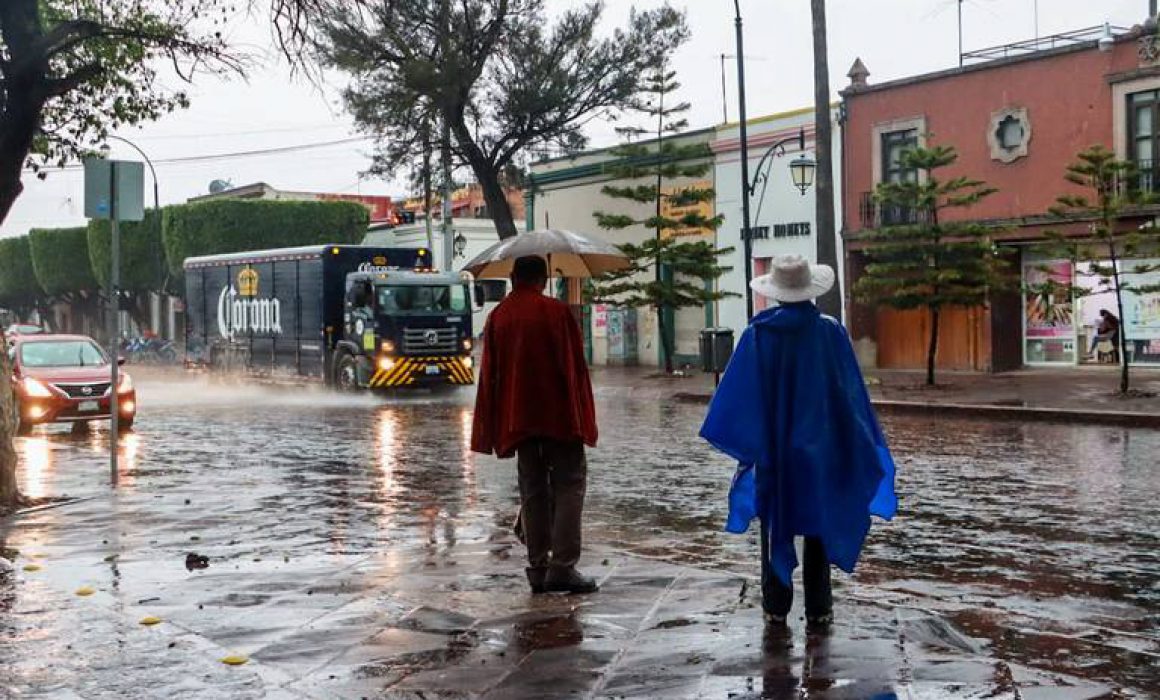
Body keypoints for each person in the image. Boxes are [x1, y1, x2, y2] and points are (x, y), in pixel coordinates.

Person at [700, 255, 897, 627]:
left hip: (776, 451)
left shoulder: (758, 336)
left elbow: (741, 397)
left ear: (776, 292)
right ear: (810, 289)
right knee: (819, 521)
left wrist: (755, 440)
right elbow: (849, 395)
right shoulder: (830, 333)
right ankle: (819, 606)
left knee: (775, 521)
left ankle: (776, 604)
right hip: (822, 449)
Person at [471, 255, 599, 594]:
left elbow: (490, 376)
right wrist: (582, 417)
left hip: (519, 419)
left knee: (532, 489)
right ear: (543, 279)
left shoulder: (499, 316)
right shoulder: (557, 312)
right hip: (559, 417)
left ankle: (538, 566)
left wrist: (493, 425)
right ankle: (563, 566)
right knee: (569, 485)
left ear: (514, 278)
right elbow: (574, 369)